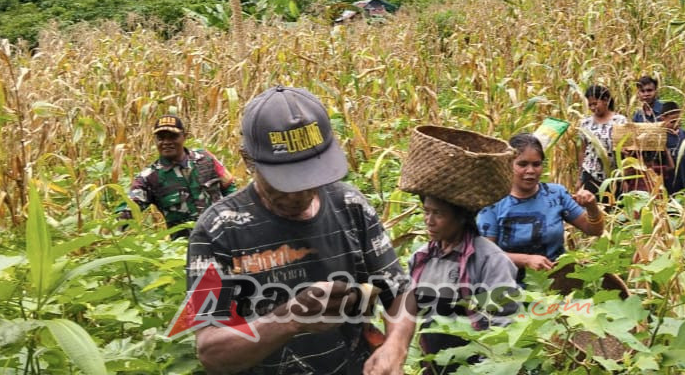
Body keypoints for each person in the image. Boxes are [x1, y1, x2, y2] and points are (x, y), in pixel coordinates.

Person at [186, 86, 415, 375]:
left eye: (311, 177)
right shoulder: (217, 231)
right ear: (248, 160)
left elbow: (399, 294)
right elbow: (210, 351)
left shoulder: (350, 206)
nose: (300, 194)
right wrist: (290, 319)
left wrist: (395, 346)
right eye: (285, 181)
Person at [409, 194, 519, 375]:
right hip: (433, 366)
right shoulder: (422, 258)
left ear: (461, 217)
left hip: (474, 368)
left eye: (438, 214)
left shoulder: (490, 259)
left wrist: (485, 369)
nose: (429, 221)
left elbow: (503, 323)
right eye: (426, 212)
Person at [477, 133, 605, 283]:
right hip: (508, 286)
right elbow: (485, 254)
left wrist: (592, 207)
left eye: (536, 164)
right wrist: (525, 260)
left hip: (556, 283)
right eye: (522, 164)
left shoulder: (556, 194)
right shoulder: (494, 202)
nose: (530, 170)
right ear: (508, 164)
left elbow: (595, 230)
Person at [120, 114, 236, 238]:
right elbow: (128, 210)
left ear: (184, 137)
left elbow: (231, 191)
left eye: (173, 137)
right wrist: (107, 233)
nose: (166, 142)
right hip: (185, 248)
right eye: (161, 138)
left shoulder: (206, 159)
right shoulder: (149, 178)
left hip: (224, 237)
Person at [577, 85, 627, 203]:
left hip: (614, 176)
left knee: (614, 210)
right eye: (590, 105)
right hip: (591, 174)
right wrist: (579, 178)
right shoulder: (585, 124)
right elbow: (582, 151)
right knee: (593, 210)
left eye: (595, 103)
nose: (593, 108)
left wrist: (625, 178)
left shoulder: (620, 121)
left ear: (606, 100)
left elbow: (627, 150)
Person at [659, 101, 685, 195]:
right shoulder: (660, 136)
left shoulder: (683, 134)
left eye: (679, 121)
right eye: (672, 122)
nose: (676, 124)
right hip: (667, 181)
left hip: (682, 178)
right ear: (663, 119)